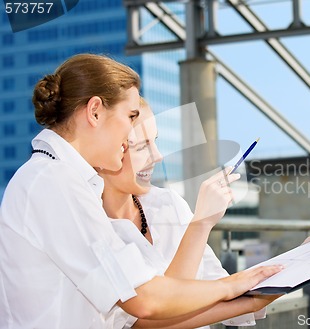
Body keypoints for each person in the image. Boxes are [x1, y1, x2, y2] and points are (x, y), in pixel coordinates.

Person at [0, 53, 283, 329]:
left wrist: (260, 287)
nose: (129, 136)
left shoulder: (59, 179)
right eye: (131, 116)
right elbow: (144, 302)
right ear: (95, 111)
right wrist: (235, 284)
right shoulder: (53, 183)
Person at [98, 99, 310, 328]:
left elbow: (225, 289)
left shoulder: (168, 203)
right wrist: (201, 223)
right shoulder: (89, 224)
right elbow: (156, 317)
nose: (158, 156)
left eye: (155, 142)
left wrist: (304, 258)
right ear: (106, 148)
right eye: (142, 146)